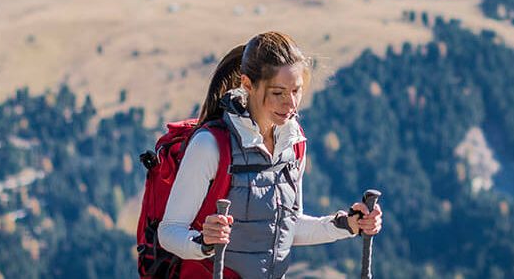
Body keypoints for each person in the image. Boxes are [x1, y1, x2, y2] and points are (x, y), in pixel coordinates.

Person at [159, 30, 383, 278]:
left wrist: (349, 225)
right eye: (278, 93)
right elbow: (169, 232)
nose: (291, 104)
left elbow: (289, 226)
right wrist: (204, 242)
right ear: (247, 85)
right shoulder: (210, 145)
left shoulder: (293, 142)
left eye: (296, 91)